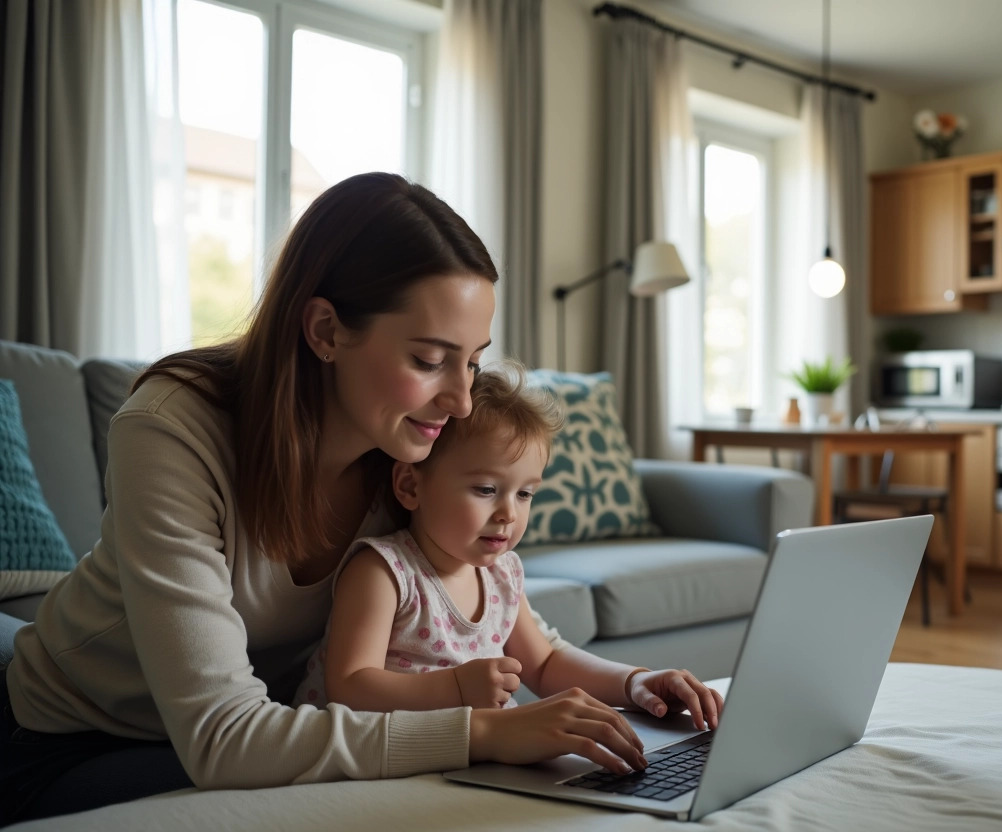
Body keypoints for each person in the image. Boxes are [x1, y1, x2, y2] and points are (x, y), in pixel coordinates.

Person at [1, 174, 652, 825]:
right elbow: (223, 739)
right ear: (325, 330)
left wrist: (628, 688)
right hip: (77, 741)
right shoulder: (173, 428)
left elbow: (504, 619)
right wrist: (481, 733)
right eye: (430, 360)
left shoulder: (407, 451)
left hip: (273, 727)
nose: (459, 401)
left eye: (473, 362)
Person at [292, 364, 723, 731]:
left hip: (468, 752)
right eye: (485, 489)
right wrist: (456, 689)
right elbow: (347, 685)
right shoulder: (384, 571)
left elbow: (546, 663)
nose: (508, 514)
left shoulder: (502, 573)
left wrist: (634, 683)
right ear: (410, 485)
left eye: (525, 494)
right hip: (379, 754)